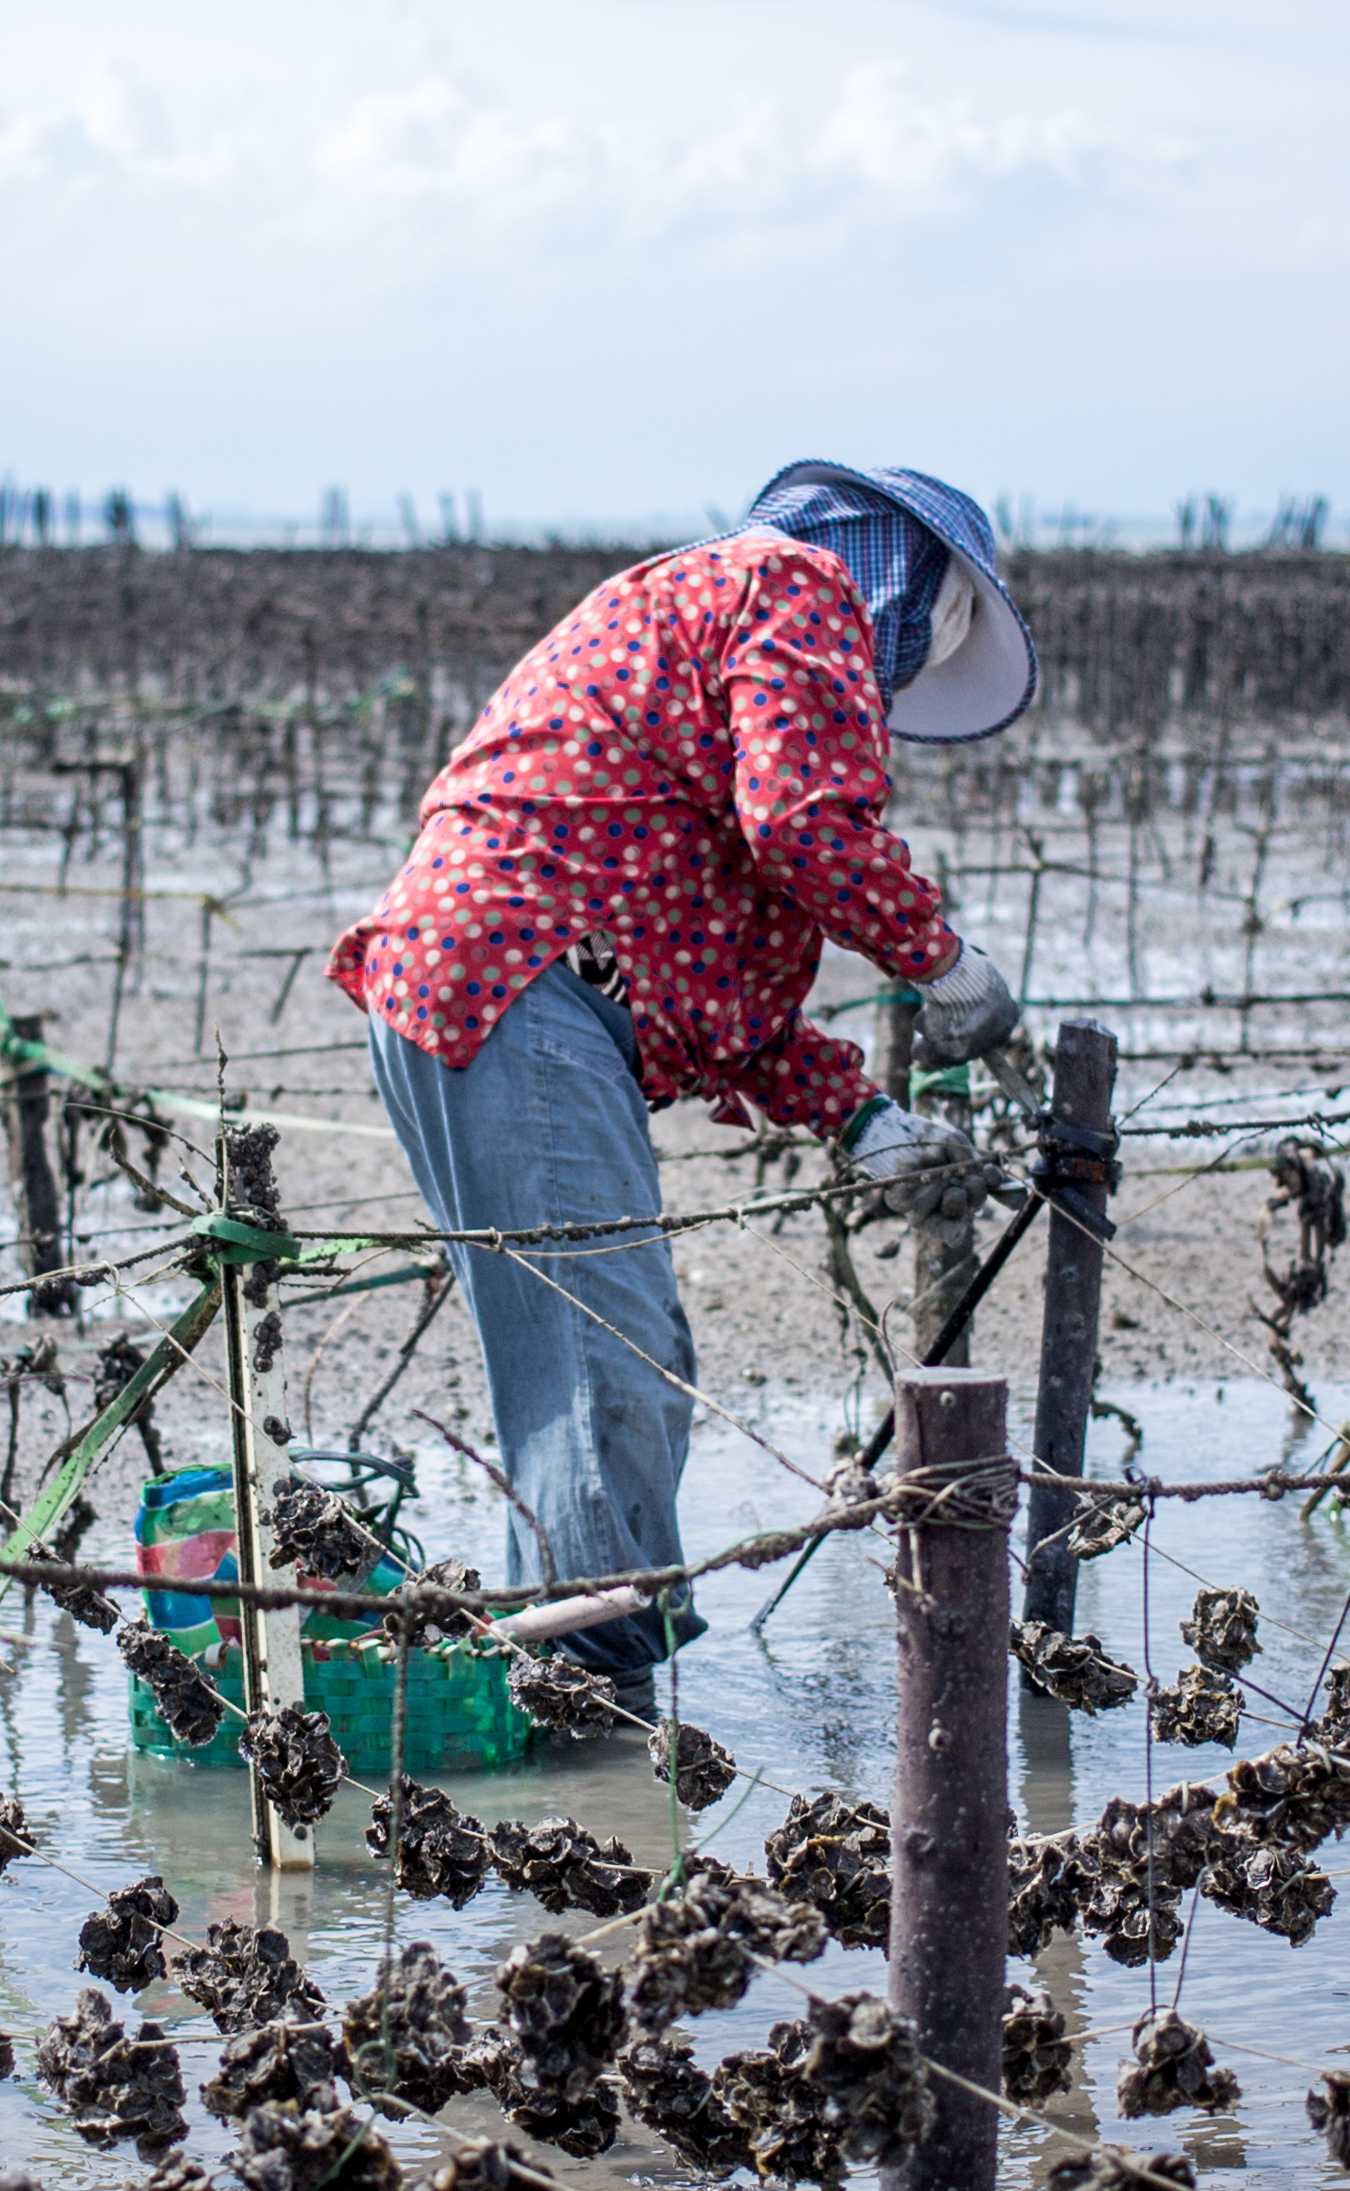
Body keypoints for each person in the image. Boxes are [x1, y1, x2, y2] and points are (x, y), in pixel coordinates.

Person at [329, 460, 1035, 1688]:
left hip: (492, 977)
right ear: (921, 587)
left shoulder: (712, 601)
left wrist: (860, 1115)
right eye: (938, 629)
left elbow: (714, 963)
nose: (913, 669)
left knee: (586, 1363)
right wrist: (945, 961)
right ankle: (596, 1706)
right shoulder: (799, 585)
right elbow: (805, 829)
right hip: (525, 984)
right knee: (610, 1369)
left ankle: (568, 1682)